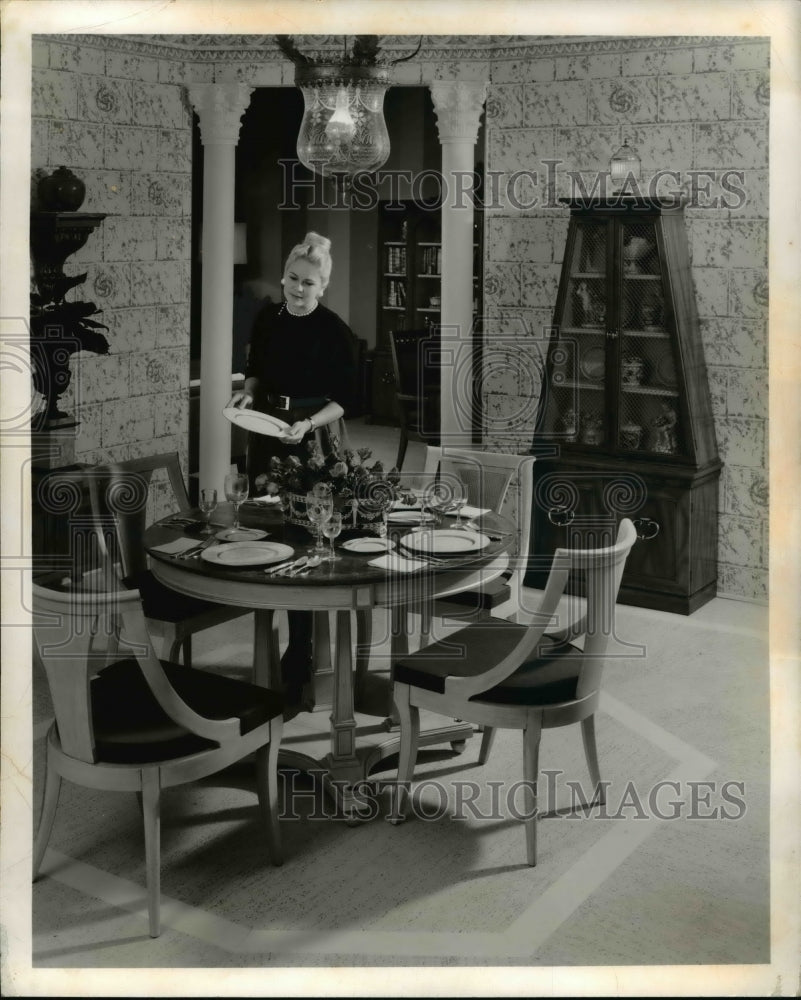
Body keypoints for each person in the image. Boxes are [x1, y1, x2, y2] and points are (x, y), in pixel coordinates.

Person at [227, 232, 356, 716]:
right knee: (269, 527)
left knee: (308, 537)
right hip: (267, 430)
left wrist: (307, 423)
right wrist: (247, 391)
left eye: (309, 283)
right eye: (293, 279)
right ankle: (277, 647)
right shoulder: (268, 318)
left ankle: (300, 656)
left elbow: (346, 399)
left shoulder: (333, 330)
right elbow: (256, 369)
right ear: (285, 277)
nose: (299, 289)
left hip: (314, 436)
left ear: (323, 286)